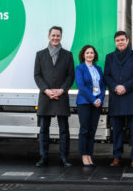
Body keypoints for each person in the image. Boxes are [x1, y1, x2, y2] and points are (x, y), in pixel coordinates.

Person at [34, 26, 75, 167]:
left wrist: (62, 90)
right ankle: (43, 158)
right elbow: (37, 75)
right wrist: (46, 90)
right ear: (48, 36)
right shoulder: (40, 55)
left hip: (61, 96)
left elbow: (71, 76)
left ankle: (64, 158)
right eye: (53, 35)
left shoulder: (68, 55)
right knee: (44, 129)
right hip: (45, 97)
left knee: (64, 130)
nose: (55, 38)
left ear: (61, 37)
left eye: (58, 35)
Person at [104, 30, 133, 168]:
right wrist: (115, 87)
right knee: (117, 130)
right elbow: (107, 76)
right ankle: (116, 156)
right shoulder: (109, 57)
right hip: (116, 98)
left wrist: (125, 87)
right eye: (117, 40)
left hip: (131, 97)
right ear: (115, 42)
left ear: (127, 41)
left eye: (122, 39)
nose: (120, 42)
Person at [75, 45, 105, 167]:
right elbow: (81, 87)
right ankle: (84, 156)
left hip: (97, 103)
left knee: (92, 131)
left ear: (94, 55)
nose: (89, 55)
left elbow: (103, 86)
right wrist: (93, 99)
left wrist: (100, 99)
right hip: (85, 103)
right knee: (85, 130)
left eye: (91, 53)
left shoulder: (98, 69)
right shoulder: (80, 68)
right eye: (87, 53)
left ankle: (89, 155)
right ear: (83, 55)